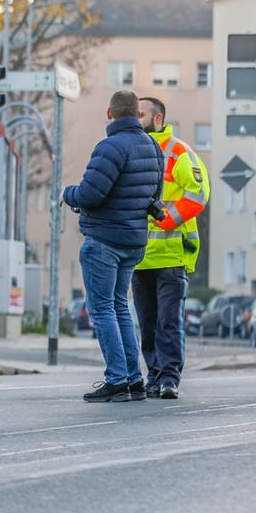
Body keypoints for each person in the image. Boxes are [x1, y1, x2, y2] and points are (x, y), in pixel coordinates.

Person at [61, 90, 164, 403]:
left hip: (105, 240)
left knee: (103, 308)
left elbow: (91, 194)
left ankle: (116, 379)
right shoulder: (153, 147)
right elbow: (154, 194)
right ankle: (133, 380)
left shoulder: (109, 147)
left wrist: (69, 194)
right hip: (134, 240)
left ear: (110, 114)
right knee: (120, 307)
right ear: (136, 113)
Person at [133, 97, 210, 400]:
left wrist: (165, 220)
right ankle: (153, 376)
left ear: (157, 118)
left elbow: (198, 192)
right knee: (147, 323)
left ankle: (169, 378)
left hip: (171, 254)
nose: (134, 117)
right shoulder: (131, 149)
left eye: (140, 114)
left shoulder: (177, 151)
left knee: (168, 321)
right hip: (139, 256)